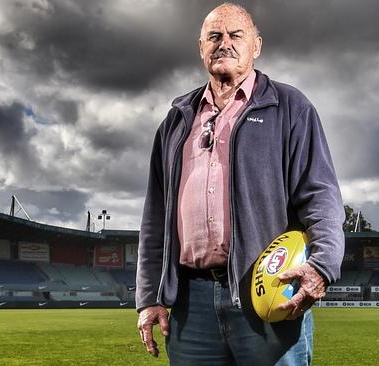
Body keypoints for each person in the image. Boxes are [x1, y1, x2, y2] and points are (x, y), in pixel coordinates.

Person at [136, 3, 345, 365]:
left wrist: (322, 266)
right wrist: (149, 297)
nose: (224, 44)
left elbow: (321, 197)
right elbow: (155, 219)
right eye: (214, 36)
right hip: (191, 305)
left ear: (256, 46)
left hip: (268, 293)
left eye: (236, 35)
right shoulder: (175, 122)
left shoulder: (290, 107)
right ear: (201, 46)